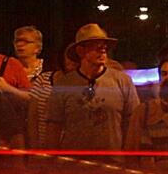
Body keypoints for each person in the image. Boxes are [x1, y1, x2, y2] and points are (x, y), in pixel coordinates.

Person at [46, 24, 140, 156]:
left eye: (104, 47)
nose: (102, 50)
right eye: (96, 46)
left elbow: (133, 123)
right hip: (74, 164)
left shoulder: (122, 81)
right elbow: (54, 126)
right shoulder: (64, 84)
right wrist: (53, 161)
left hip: (113, 163)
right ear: (80, 51)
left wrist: (129, 158)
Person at [28, 45, 79, 151]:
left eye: (76, 56)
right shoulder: (44, 79)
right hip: (42, 147)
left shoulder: (84, 85)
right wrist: (34, 148)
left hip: (70, 149)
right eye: (69, 55)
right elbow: (32, 117)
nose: (72, 60)